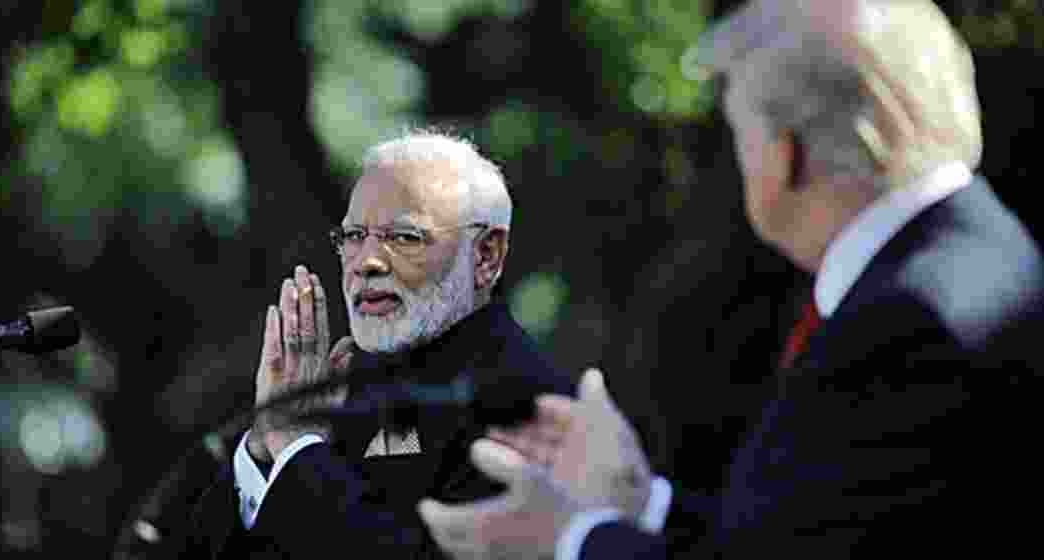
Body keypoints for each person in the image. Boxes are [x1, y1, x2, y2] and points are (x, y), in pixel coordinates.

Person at [417, 1, 1044, 558]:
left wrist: (568, 539)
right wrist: (638, 502)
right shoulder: (980, 256)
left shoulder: (908, 322)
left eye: (739, 132)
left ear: (782, 156)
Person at [176, 130, 573, 559]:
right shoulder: (347, 385)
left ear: (486, 256)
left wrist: (298, 450)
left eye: (404, 237)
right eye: (353, 236)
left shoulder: (526, 404)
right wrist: (264, 450)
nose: (366, 262)